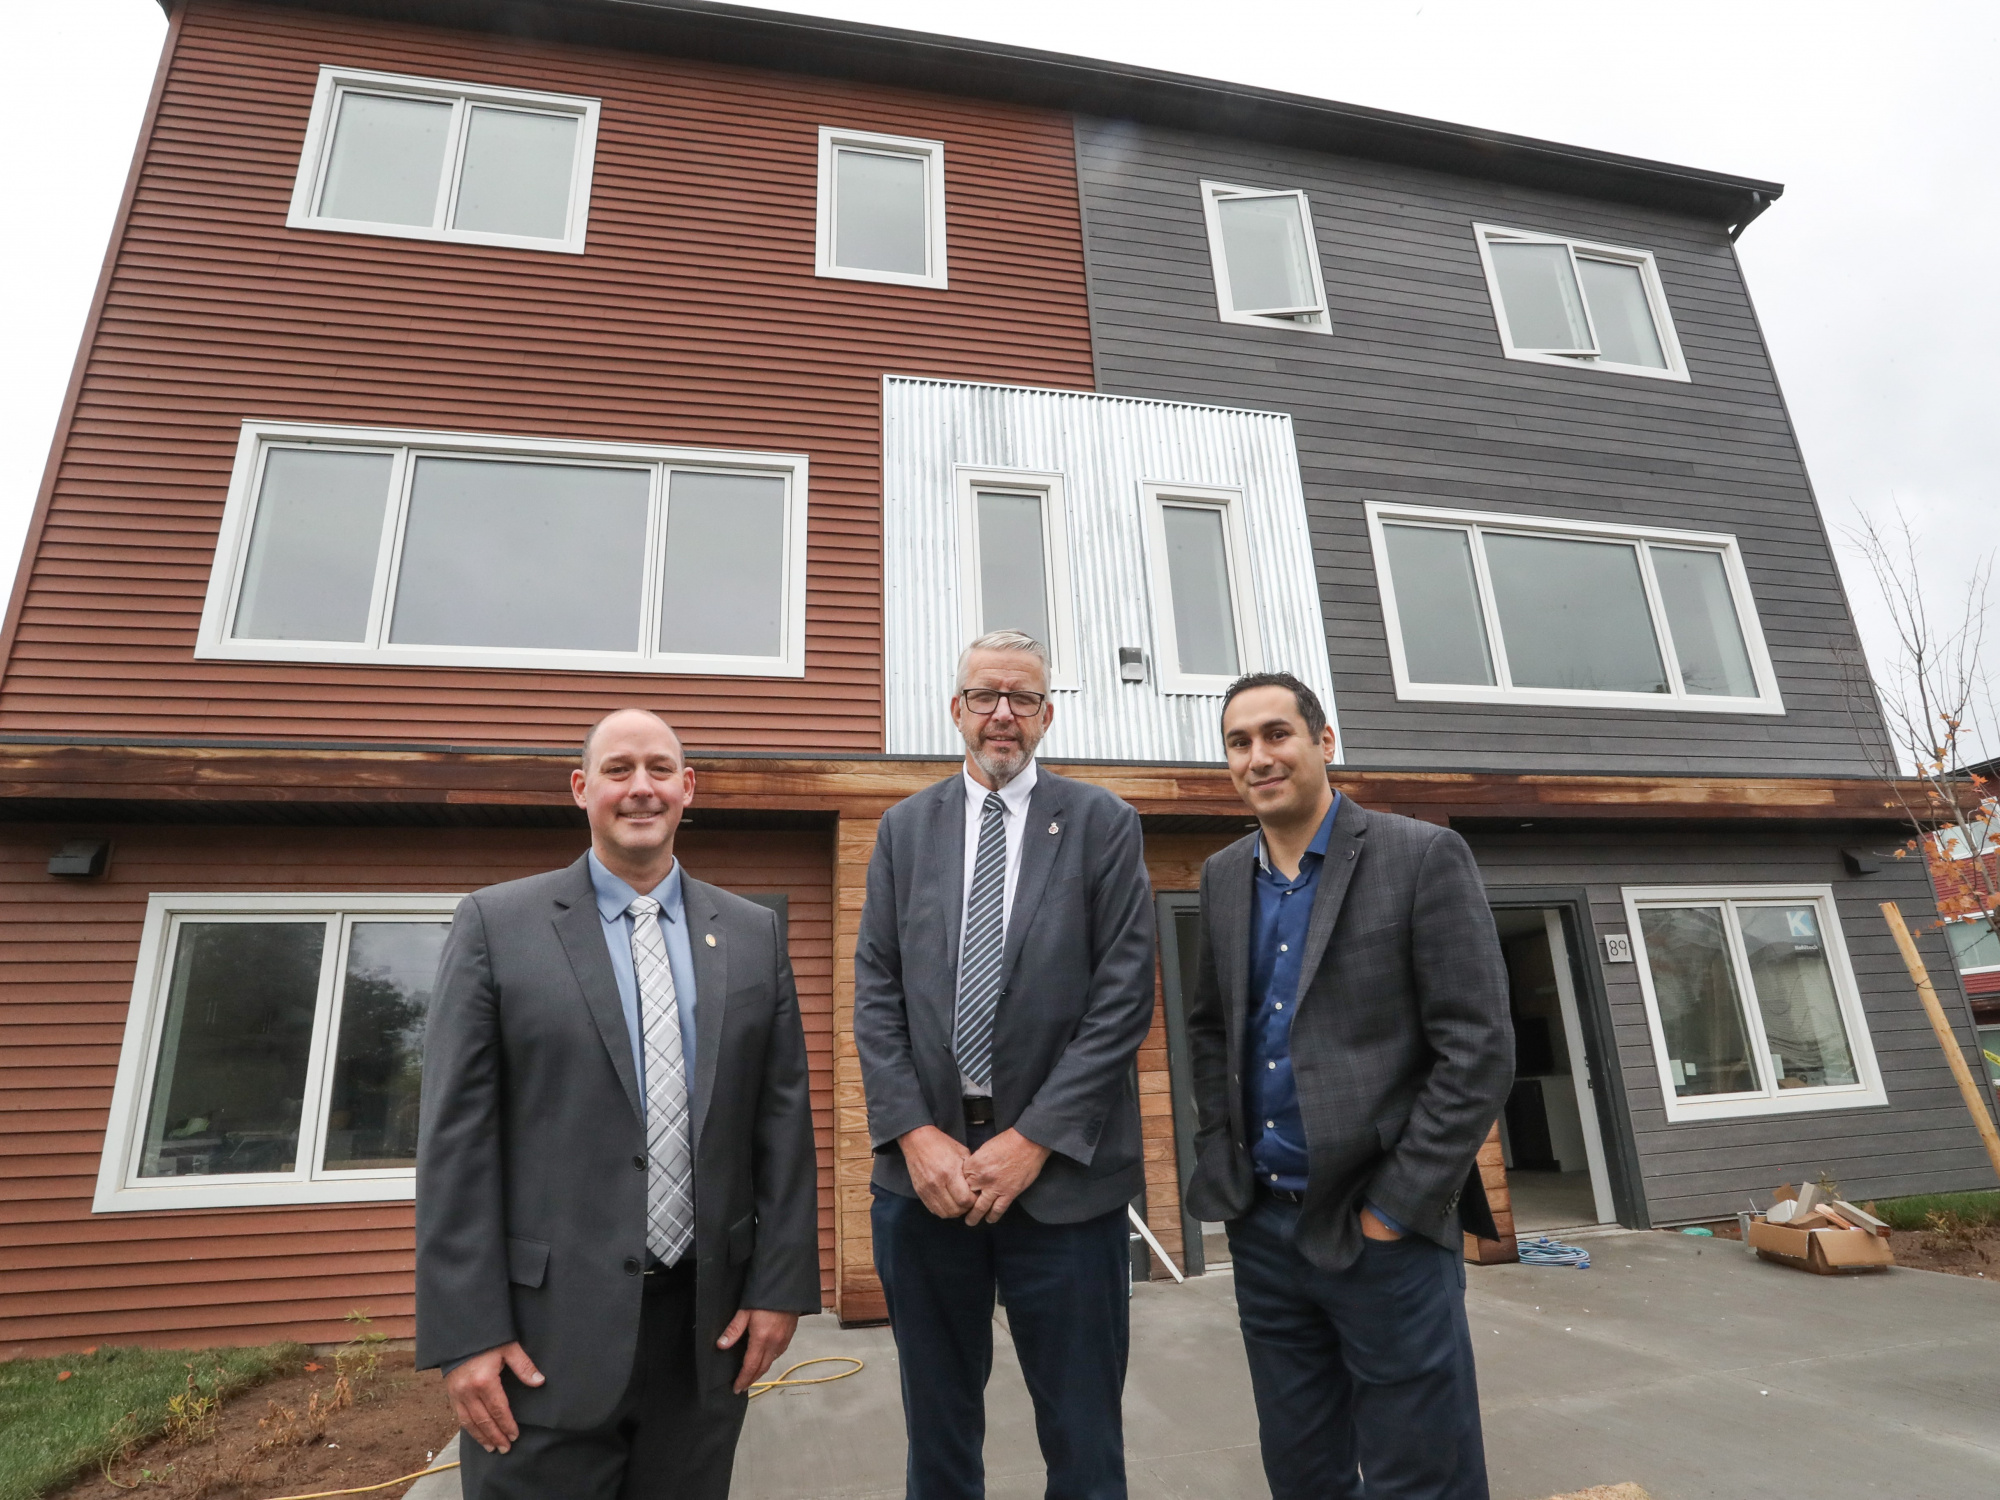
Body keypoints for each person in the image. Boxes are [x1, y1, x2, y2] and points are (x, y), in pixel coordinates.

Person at [416, 708, 819, 1500]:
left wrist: (779, 1288)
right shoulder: (497, 926)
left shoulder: (753, 934)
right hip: (542, 1343)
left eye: (660, 769)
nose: (642, 788)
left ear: (687, 788)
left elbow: (782, 1125)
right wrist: (467, 1336)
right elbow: (455, 1146)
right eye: (619, 770)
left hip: (703, 1339)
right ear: (581, 789)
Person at [1185, 672, 1513, 1500]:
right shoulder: (1223, 877)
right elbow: (1209, 1031)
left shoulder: (1420, 856)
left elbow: (1476, 1049)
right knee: (1302, 1471)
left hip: (1383, 1234)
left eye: (1276, 734)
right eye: (1239, 742)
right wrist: (1223, 1164)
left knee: (1421, 1475)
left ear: (1324, 742)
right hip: (1264, 1230)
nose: (1258, 756)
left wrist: (1396, 1209)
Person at [853, 629, 1156, 1500]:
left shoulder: (1103, 824)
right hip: (927, 1186)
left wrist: (1033, 1141)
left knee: (1084, 1432)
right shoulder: (905, 831)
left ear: (1046, 715)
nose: (1002, 715)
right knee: (938, 1431)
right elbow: (876, 992)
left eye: (1022, 699)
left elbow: (1121, 1003)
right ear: (956, 709)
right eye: (986, 696)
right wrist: (914, 1134)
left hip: (1061, 1187)